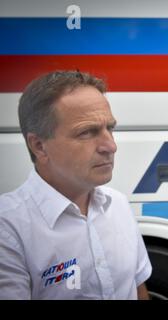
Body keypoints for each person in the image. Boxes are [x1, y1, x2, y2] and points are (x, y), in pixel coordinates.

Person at [0, 71, 152, 299]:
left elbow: (138, 290)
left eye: (109, 128)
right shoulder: (8, 228)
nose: (111, 146)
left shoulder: (118, 205)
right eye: (87, 132)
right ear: (39, 146)